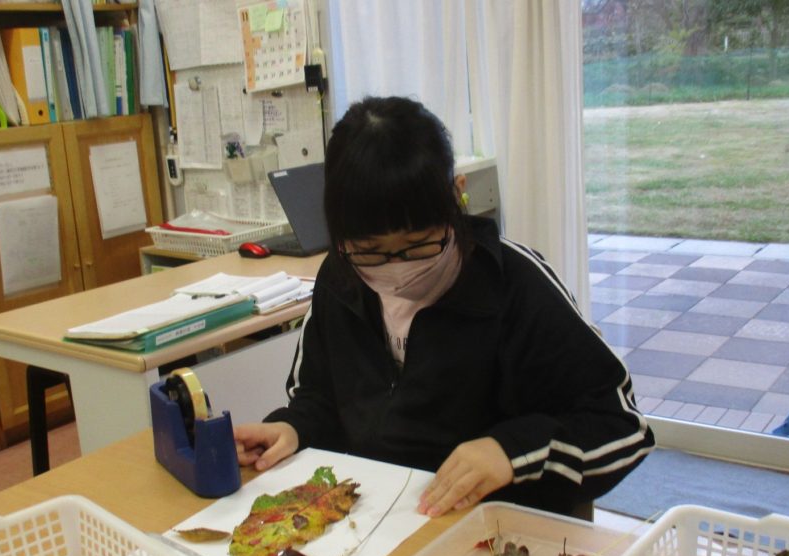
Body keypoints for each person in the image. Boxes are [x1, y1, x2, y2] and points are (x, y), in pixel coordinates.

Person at [234, 95, 654, 519]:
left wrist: (511, 451)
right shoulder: (341, 277)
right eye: (370, 251)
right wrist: (293, 427)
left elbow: (622, 427)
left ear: (456, 195)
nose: (397, 268)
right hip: (375, 525)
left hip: (495, 533)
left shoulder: (516, 287)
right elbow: (318, 397)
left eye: (418, 244)